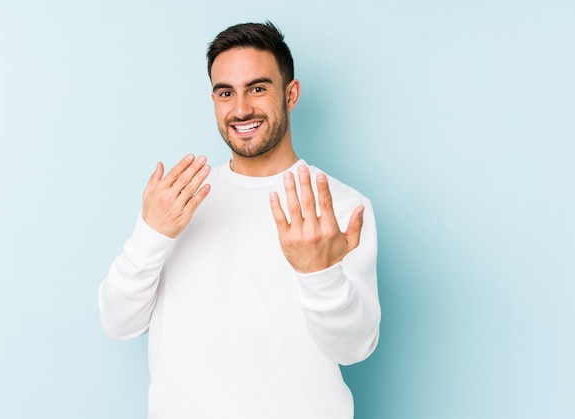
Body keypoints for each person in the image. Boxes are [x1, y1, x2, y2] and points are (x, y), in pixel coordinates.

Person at [98, 21, 381, 419]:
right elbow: (118, 323)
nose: (241, 108)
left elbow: (355, 348)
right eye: (225, 92)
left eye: (258, 88)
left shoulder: (342, 205)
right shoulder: (179, 201)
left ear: (291, 94)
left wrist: (320, 275)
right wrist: (151, 235)